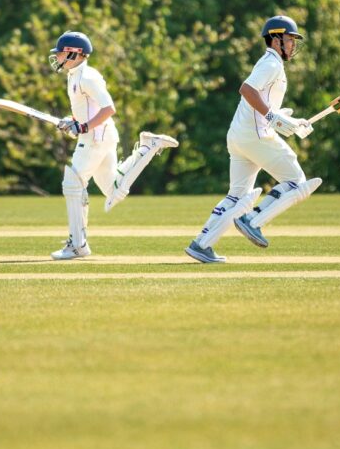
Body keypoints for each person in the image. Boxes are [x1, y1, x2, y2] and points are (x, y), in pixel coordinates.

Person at [185, 15, 322, 263]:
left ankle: (201, 244)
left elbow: (263, 103)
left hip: (239, 136)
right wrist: (274, 119)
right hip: (256, 137)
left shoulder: (269, 64)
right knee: (296, 181)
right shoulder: (271, 64)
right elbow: (247, 90)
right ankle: (253, 220)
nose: (292, 44)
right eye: (290, 39)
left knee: (236, 196)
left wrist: (289, 120)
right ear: (276, 39)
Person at [49, 30, 179, 260]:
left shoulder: (88, 76)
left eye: (60, 53)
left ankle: (78, 245)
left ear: (74, 53)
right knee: (113, 191)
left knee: (73, 183)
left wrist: (85, 127)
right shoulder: (75, 75)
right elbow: (86, 110)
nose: (57, 57)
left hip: (95, 138)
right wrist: (74, 122)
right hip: (100, 136)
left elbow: (108, 109)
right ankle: (148, 147)